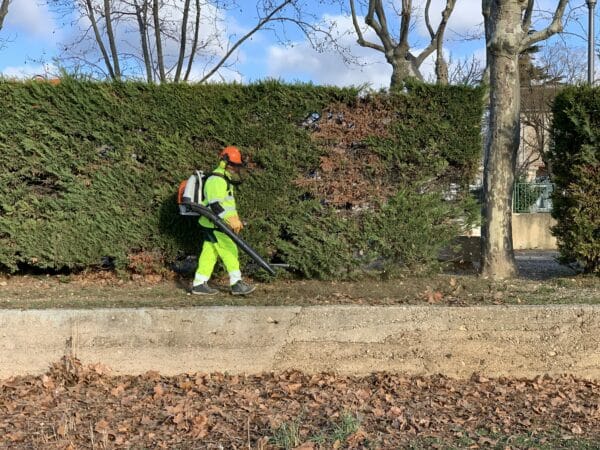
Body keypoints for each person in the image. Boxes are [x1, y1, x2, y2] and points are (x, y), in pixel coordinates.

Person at [191, 146, 256, 296]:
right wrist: (230, 220)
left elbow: (226, 205)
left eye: (236, 166)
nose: (235, 168)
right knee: (229, 250)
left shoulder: (224, 179)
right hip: (216, 223)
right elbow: (215, 205)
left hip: (214, 223)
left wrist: (235, 219)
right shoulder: (216, 180)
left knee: (210, 252)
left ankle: (199, 283)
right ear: (224, 162)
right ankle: (236, 283)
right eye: (233, 165)